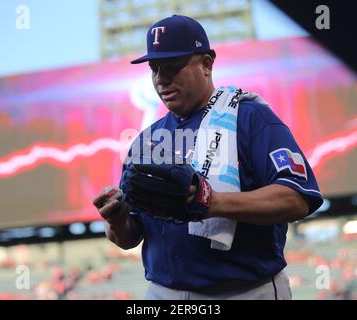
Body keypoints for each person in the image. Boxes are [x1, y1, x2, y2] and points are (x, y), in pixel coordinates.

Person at [94, 15, 323, 300]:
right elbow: (129, 237)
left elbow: (297, 199)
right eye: (155, 68)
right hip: (163, 294)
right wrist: (117, 221)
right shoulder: (147, 140)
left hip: (246, 291)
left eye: (173, 67)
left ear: (206, 64)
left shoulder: (249, 117)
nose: (161, 79)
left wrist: (212, 202)